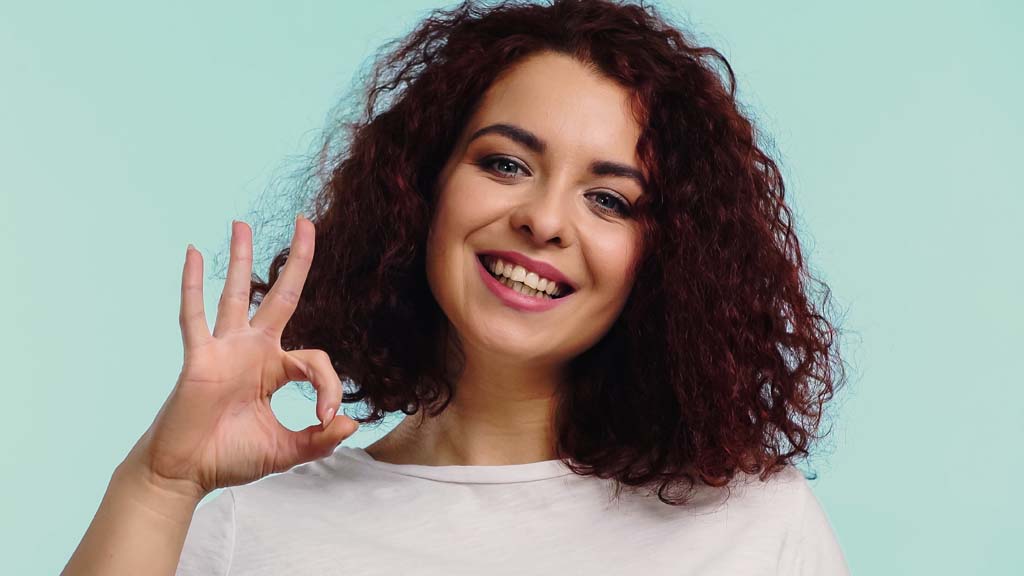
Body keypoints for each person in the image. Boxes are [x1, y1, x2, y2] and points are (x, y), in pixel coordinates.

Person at [63, 0, 851, 574]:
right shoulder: (255, 530)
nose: (543, 220)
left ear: (668, 261)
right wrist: (160, 483)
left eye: (608, 199)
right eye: (505, 164)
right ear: (423, 188)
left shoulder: (753, 528)